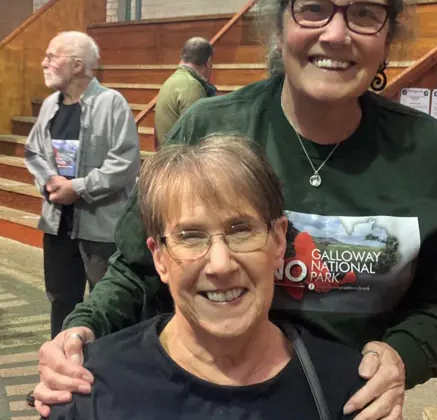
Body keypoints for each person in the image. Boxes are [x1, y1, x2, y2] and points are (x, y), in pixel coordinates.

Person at [33, 0, 437, 419]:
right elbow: (139, 266)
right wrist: (81, 331)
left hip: (341, 402)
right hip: (204, 397)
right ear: (279, 20)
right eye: (313, 9)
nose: (336, 33)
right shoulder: (211, 128)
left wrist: (402, 356)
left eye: (365, 14)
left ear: (388, 34)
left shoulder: (420, 148)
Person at [47, 135, 366, 420]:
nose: (220, 265)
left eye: (241, 230)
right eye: (191, 236)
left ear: (279, 241)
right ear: (159, 257)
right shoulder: (92, 388)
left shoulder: (344, 391)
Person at [24, 31, 140, 342]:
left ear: (77, 65)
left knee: (108, 305)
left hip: (99, 228)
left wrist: (78, 187)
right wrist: (49, 182)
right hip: (58, 225)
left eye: (52, 57)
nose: (44, 63)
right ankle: (62, 370)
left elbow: (125, 162)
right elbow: (34, 151)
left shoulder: (111, 103)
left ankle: (109, 375)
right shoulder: (50, 105)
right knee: (61, 301)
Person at [154, 36, 216, 146]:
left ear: (182, 57)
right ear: (209, 61)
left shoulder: (172, 80)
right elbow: (196, 139)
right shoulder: (192, 86)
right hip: (180, 159)